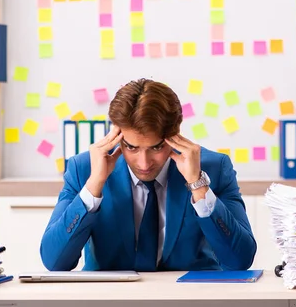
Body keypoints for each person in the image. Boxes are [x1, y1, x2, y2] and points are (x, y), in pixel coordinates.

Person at [40, 78, 257, 272]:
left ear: (175, 134)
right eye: (132, 147)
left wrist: (198, 185)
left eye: (156, 147)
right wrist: (94, 185)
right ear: (116, 133)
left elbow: (240, 260)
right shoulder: (84, 168)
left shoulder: (214, 167)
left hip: (190, 298)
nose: (144, 164)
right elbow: (54, 261)